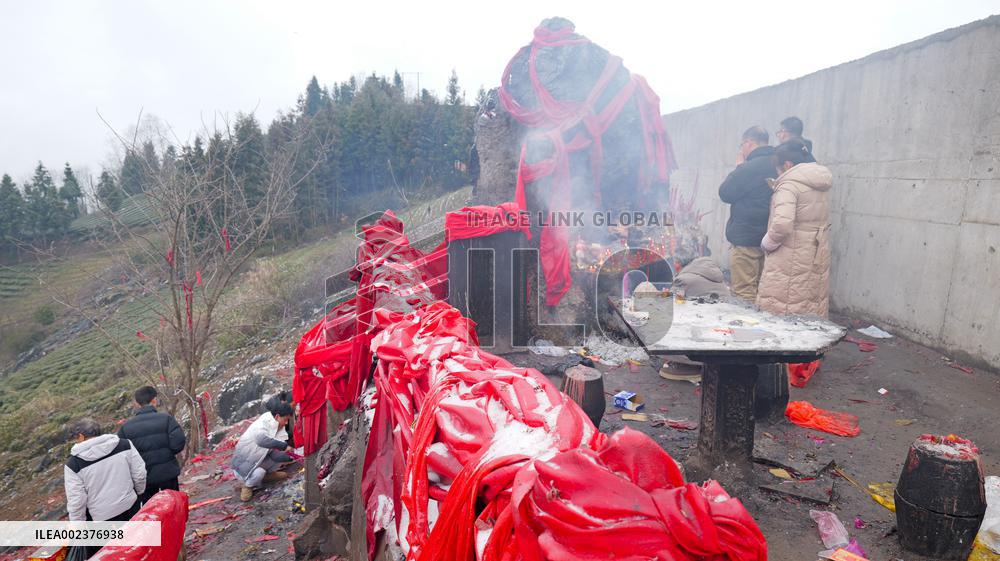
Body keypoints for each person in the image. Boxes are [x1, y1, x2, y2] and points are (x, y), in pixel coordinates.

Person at [757, 138, 832, 317]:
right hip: (815, 252)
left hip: (789, 256)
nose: (777, 172)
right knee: (810, 304)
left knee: (783, 308)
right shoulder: (818, 182)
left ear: (788, 165)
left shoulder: (788, 185)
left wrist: (767, 243)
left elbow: (782, 224)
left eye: (778, 168)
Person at [65, 418, 147, 557]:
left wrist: (78, 527)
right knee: (138, 546)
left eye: (75, 438)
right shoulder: (124, 444)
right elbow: (140, 474)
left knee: (114, 556)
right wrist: (139, 493)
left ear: (81, 436)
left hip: (102, 519)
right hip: (130, 507)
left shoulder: (73, 464)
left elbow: (77, 501)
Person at [718, 126, 776, 301]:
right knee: (764, 292)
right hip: (772, 238)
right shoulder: (779, 164)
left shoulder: (748, 168)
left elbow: (725, 193)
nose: (741, 148)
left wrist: (739, 168)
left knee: (744, 292)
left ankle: (746, 326)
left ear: (749, 143)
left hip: (746, 238)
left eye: (742, 144)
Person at [118, 386, 186, 504]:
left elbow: (122, 454)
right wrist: (167, 454)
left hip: (144, 478)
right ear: (154, 400)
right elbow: (178, 443)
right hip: (168, 472)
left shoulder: (126, 427)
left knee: (152, 509)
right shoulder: (166, 419)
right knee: (173, 504)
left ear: (137, 403)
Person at [232, 402, 295, 502]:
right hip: (243, 467)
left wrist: (291, 457)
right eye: (285, 420)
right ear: (278, 416)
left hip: (256, 459)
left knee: (281, 457)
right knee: (259, 472)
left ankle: (265, 477)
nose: (286, 423)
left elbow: (270, 451)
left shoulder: (274, 424)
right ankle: (247, 486)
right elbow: (261, 441)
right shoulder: (262, 424)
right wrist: (284, 446)